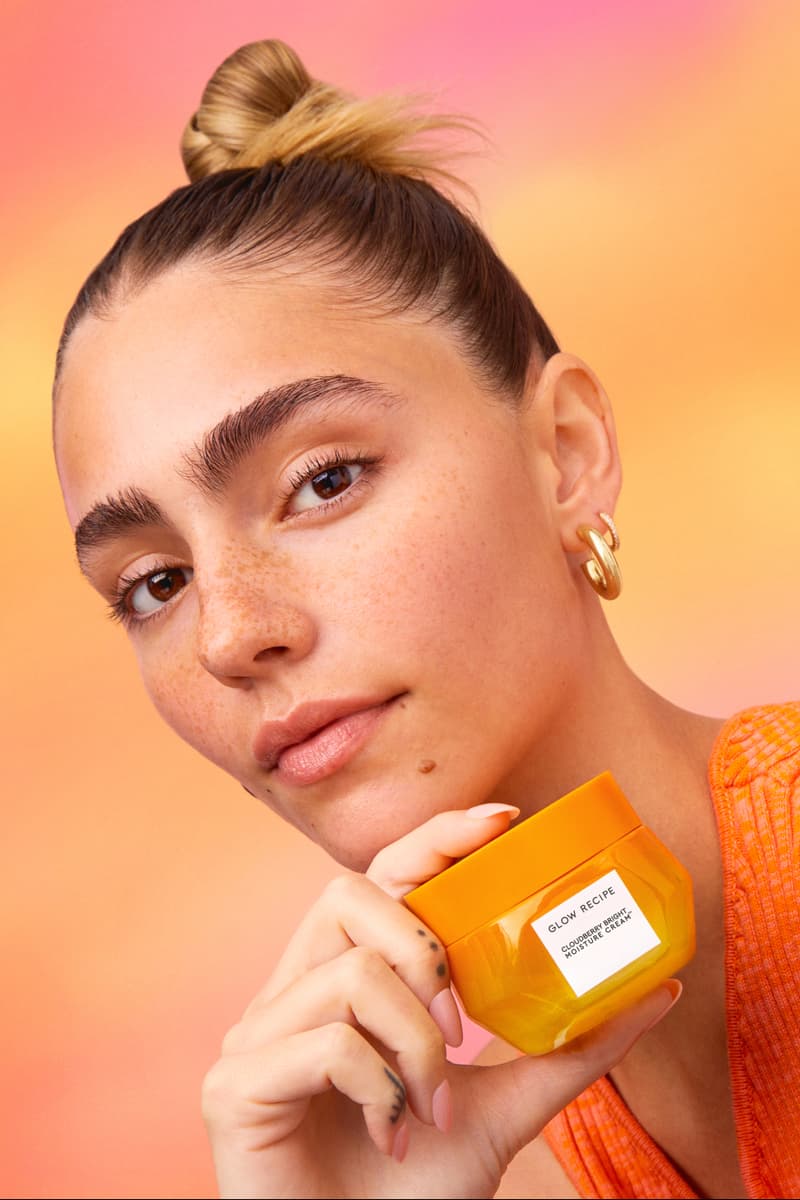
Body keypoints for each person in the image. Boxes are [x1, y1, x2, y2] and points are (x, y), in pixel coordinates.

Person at [51, 38, 799, 1200]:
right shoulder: (475, 1139)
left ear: (564, 453)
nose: (227, 636)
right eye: (154, 583)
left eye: (324, 480)